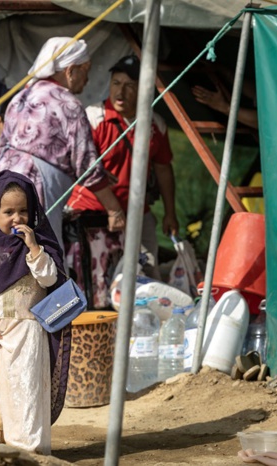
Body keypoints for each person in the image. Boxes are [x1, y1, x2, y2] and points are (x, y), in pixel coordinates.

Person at [0, 37, 126, 247]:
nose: (88, 79)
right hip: (31, 185)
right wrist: (114, 209)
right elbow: (86, 167)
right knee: (35, 257)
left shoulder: (21, 96)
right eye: (85, 70)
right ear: (70, 70)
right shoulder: (69, 104)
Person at [0, 170, 69, 455]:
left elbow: (50, 280)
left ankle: (27, 449)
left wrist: (34, 248)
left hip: (29, 334)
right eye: (8, 211)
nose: (17, 218)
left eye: (24, 211)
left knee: (26, 392)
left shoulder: (41, 246)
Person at [65, 54, 179, 308]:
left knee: (147, 277)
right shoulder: (93, 117)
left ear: (143, 89)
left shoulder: (155, 124)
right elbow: (81, 168)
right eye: (116, 83)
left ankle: (142, 333)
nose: (121, 91)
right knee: (96, 281)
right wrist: (112, 209)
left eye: (129, 85)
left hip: (138, 215)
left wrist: (170, 213)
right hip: (92, 214)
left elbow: (163, 170)